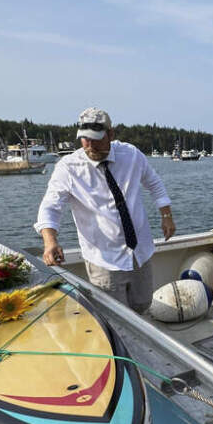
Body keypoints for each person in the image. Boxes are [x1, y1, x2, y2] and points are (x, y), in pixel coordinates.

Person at [35, 107, 175, 313]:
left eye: (96, 139)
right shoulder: (68, 168)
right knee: (115, 316)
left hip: (139, 253)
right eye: (84, 139)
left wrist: (167, 216)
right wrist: (50, 241)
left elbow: (154, 183)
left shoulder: (132, 155)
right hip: (104, 260)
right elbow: (50, 206)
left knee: (143, 305)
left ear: (111, 134)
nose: (89, 145)